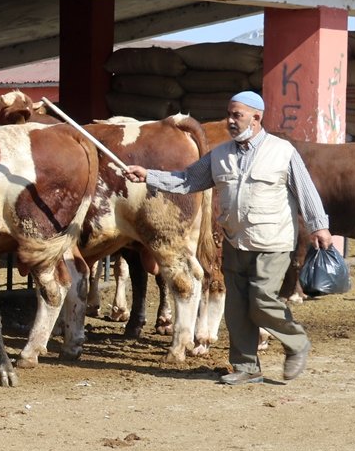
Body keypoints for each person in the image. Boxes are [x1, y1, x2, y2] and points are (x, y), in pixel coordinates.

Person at [124, 90, 332, 386]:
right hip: (235, 241)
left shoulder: (281, 151)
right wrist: (149, 176)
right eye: (229, 115)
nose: (230, 121)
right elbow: (187, 180)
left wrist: (319, 226)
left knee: (260, 301)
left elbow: (306, 191)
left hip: (272, 241)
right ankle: (246, 367)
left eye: (237, 115)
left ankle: (296, 342)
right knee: (236, 309)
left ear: (256, 118)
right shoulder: (220, 155)